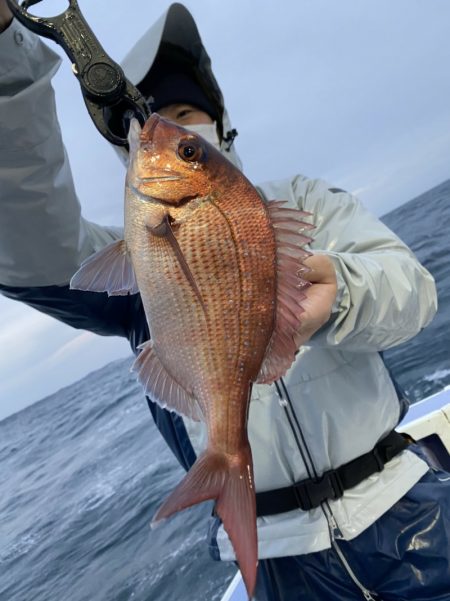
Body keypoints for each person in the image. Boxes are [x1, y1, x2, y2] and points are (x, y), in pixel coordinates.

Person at [1, 3, 449, 600]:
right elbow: (31, 245)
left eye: (186, 116)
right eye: (153, 118)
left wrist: (343, 290)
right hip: (281, 560)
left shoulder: (309, 205)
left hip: (412, 508)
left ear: (219, 122)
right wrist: (7, 53)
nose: (171, 129)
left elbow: (414, 291)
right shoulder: (129, 260)